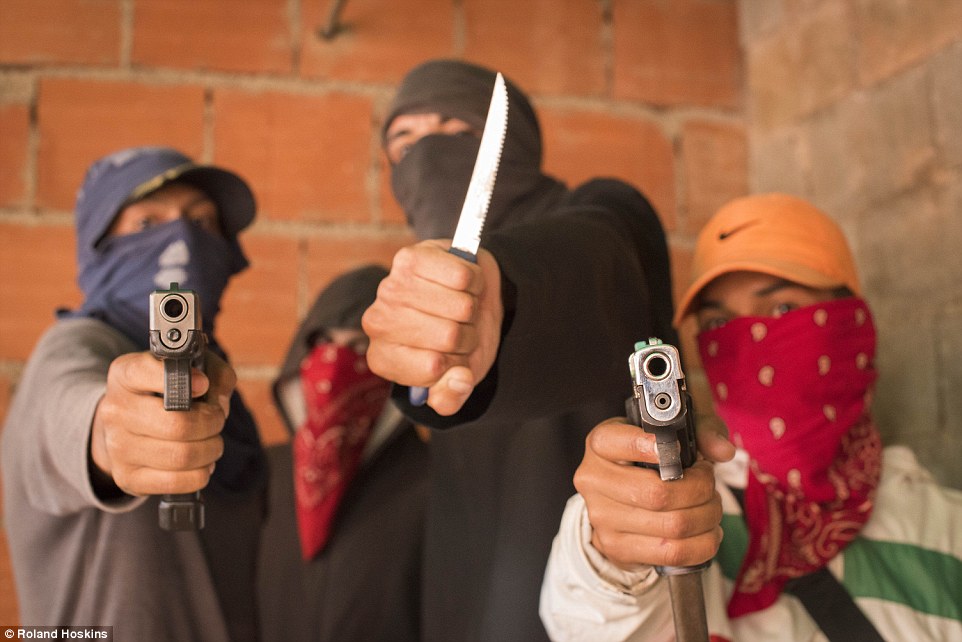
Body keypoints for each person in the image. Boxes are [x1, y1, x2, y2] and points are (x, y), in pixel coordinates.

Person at [539, 193, 962, 641]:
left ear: (850, 321)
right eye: (718, 324)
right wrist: (611, 548)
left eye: (783, 309)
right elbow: (588, 623)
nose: (749, 338)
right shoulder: (689, 513)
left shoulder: (945, 529)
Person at [361, 59, 678, 641]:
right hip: (464, 583)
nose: (426, 155)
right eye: (403, 142)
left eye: (456, 130)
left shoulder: (600, 215)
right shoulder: (426, 297)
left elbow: (601, 269)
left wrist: (504, 289)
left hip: (603, 590)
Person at [1, 146, 266, 641]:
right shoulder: (75, 347)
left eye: (202, 222)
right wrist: (110, 433)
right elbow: (70, 411)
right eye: (147, 223)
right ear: (100, 246)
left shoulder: (218, 383)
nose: (183, 240)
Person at [257, 264, 429, 642]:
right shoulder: (268, 474)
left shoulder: (433, 483)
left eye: (360, 347)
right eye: (324, 344)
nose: (335, 366)